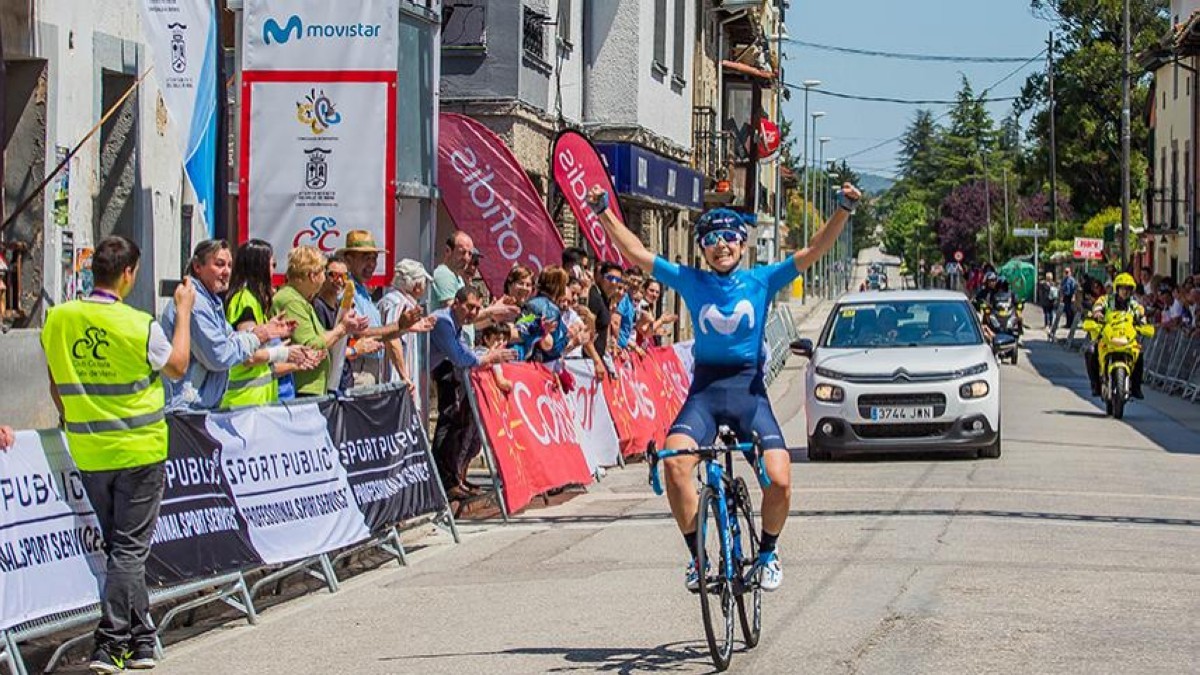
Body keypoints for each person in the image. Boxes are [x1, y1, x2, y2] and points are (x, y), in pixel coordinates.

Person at [587, 180, 861, 593]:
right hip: (705, 394)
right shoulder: (691, 280)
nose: (721, 246)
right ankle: (698, 556)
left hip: (749, 394)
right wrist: (604, 211)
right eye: (711, 239)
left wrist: (842, 209)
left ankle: (767, 552)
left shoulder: (762, 280)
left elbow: (813, 251)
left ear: (742, 243)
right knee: (675, 464)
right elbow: (637, 254)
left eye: (728, 238)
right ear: (702, 248)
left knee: (780, 479)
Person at [40, 235, 195, 672]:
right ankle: (111, 644)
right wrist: (183, 310)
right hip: (139, 451)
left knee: (120, 550)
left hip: (90, 451)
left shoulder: (58, 319)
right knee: (128, 551)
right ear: (129, 273)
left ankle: (142, 638)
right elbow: (179, 365)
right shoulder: (138, 324)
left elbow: (56, 382)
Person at [160, 240, 303, 411]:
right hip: (188, 408)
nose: (226, 271)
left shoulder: (210, 301)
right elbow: (219, 354)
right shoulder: (195, 302)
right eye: (219, 264)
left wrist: (261, 331)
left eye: (229, 265)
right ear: (198, 267)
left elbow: (230, 337)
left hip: (203, 407)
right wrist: (262, 338)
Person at [429, 287, 515, 499]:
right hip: (436, 375)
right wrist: (487, 358)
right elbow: (459, 356)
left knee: (458, 426)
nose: (473, 313)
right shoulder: (444, 322)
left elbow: (464, 350)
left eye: (477, 308)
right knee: (448, 424)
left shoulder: (457, 324)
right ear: (455, 303)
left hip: (444, 372)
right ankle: (444, 480)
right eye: (469, 307)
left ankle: (455, 477)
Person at [222, 240, 321, 407]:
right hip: (243, 402)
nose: (274, 270)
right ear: (259, 266)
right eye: (272, 264)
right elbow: (249, 356)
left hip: (257, 400)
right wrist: (284, 352)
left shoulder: (254, 301)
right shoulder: (245, 300)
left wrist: (273, 333)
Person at [337, 231, 432, 387]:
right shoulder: (347, 291)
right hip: (358, 368)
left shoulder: (363, 292)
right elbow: (360, 332)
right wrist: (399, 326)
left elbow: (384, 335)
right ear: (349, 260)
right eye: (366, 258)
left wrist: (405, 328)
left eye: (374, 259)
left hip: (371, 368)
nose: (371, 264)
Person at [271, 246, 368, 396]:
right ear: (312, 275)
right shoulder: (291, 301)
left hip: (310, 387)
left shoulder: (300, 300)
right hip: (302, 389)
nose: (324, 278)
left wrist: (345, 327)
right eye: (324, 272)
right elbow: (313, 345)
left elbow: (322, 337)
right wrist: (342, 328)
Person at [312, 255, 384, 393]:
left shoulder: (343, 306)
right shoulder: (317, 307)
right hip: (325, 384)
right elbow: (320, 347)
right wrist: (355, 349)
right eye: (333, 275)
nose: (339, 280)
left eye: (344, 276)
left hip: (343, 380)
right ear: (323, 276)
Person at [1085, 273, 1147, 399]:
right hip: (1108, 336)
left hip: (1126, 338)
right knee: (1090, 351)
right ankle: (1095, 384)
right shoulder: (1107, 299)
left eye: (1128, 288)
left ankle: (1136, 387)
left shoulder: (1133, 304)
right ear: (1117, 288)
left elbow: (1141, 311)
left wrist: (1142, 319)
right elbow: (1097, 305)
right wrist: (1097, 313)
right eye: (1123, 288)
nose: (1125, 291)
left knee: (1139, 353)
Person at [377, 258, 436, 389]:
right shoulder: (397, 303)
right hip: (394, 382)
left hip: (400, 381)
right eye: (424, 282)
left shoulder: (400, 302)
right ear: (417, 286)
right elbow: (392, 338)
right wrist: (404, 376)